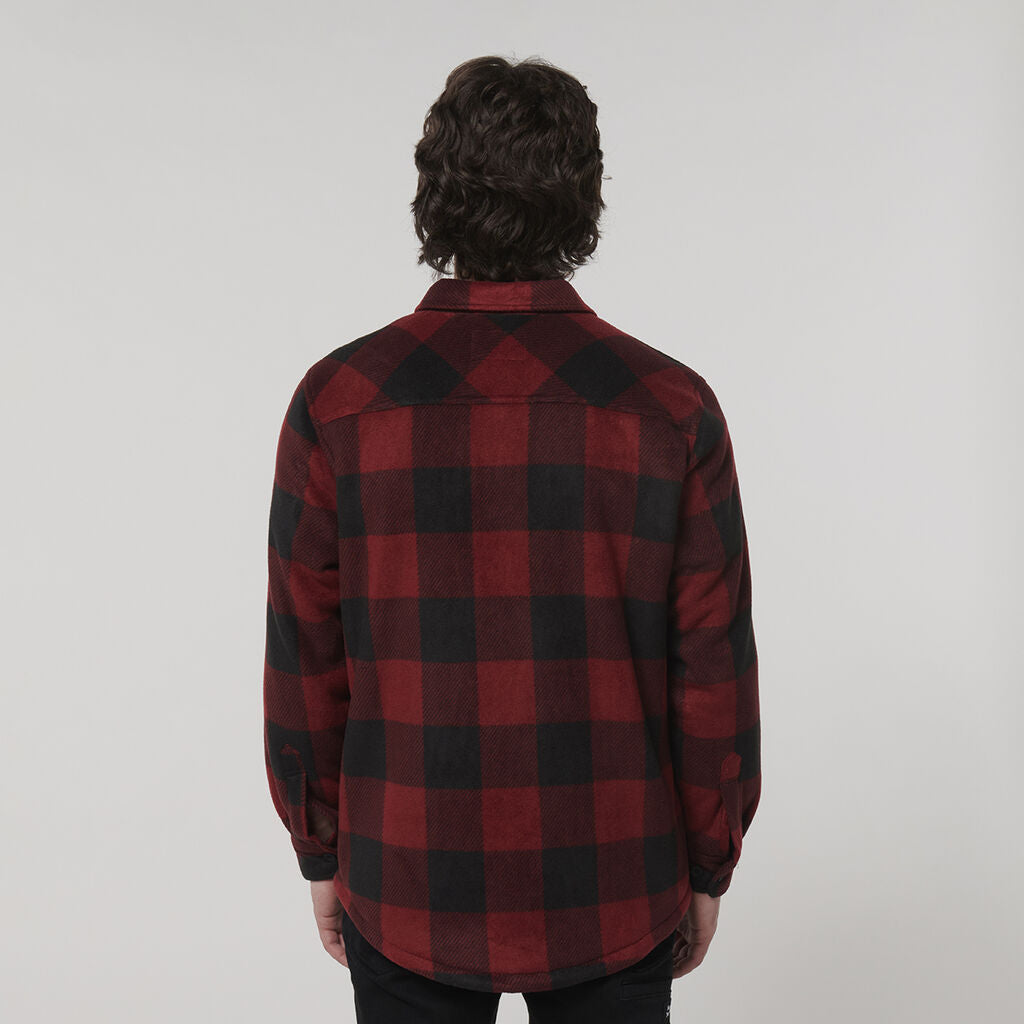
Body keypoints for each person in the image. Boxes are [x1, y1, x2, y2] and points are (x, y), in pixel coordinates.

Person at [263, 53, 761, 1024]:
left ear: (435, 193)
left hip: (405, 874)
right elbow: (711, 666)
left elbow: (304, 655)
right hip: (615, 878)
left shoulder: (339, 401)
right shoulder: (669, 407)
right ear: (583, 199)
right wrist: (710, 862)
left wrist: (319, 850)